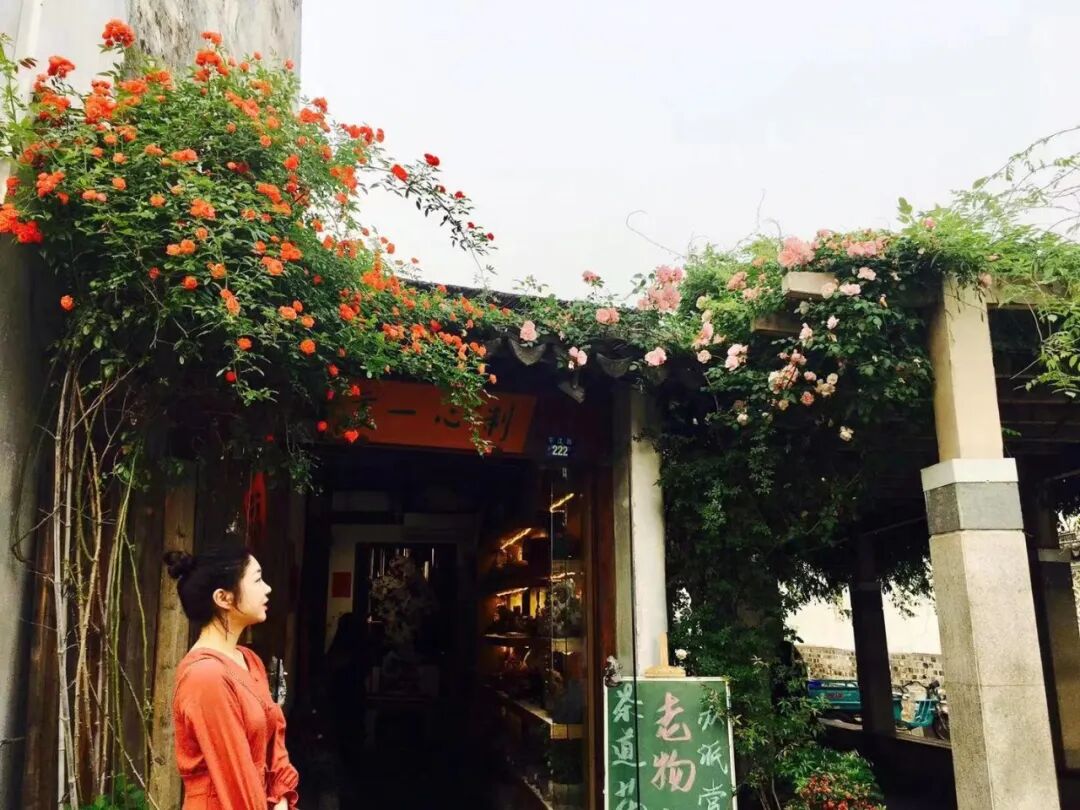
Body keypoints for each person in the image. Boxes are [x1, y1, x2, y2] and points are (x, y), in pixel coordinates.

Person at [165, 547, 300, 809]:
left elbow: (274, 742)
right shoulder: (205, 676)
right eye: (257, 580)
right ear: (223, 598)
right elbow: (235, 782)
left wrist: (281, 797)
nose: (268, 589)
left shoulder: (250, 660)